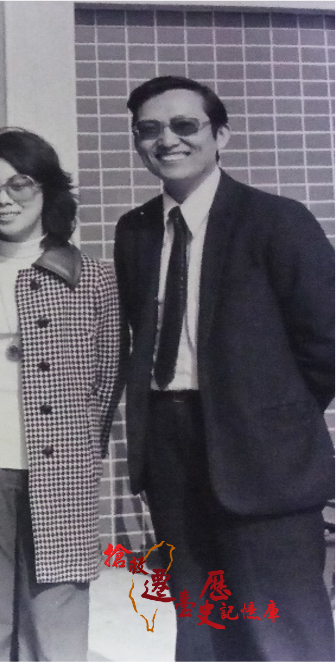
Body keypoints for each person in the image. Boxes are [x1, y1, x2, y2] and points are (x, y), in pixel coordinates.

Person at [114, 75, 336, 662]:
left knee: (283, 630)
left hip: (264, 457)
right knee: (201, 624)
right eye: (149, 129)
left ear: (221, 136)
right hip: (170, 450)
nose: (167, 140)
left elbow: (327, 342)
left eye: (184, 125)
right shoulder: (135, 231)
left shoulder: (277, 221)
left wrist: (271, 415)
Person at [0, 128, 123, 662]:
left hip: (58, 467)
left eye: (20, 184)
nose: (4, 199)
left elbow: (107, 376)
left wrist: (80, 445)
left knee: (54, 618)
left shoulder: (93, 278)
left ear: (48, 191)